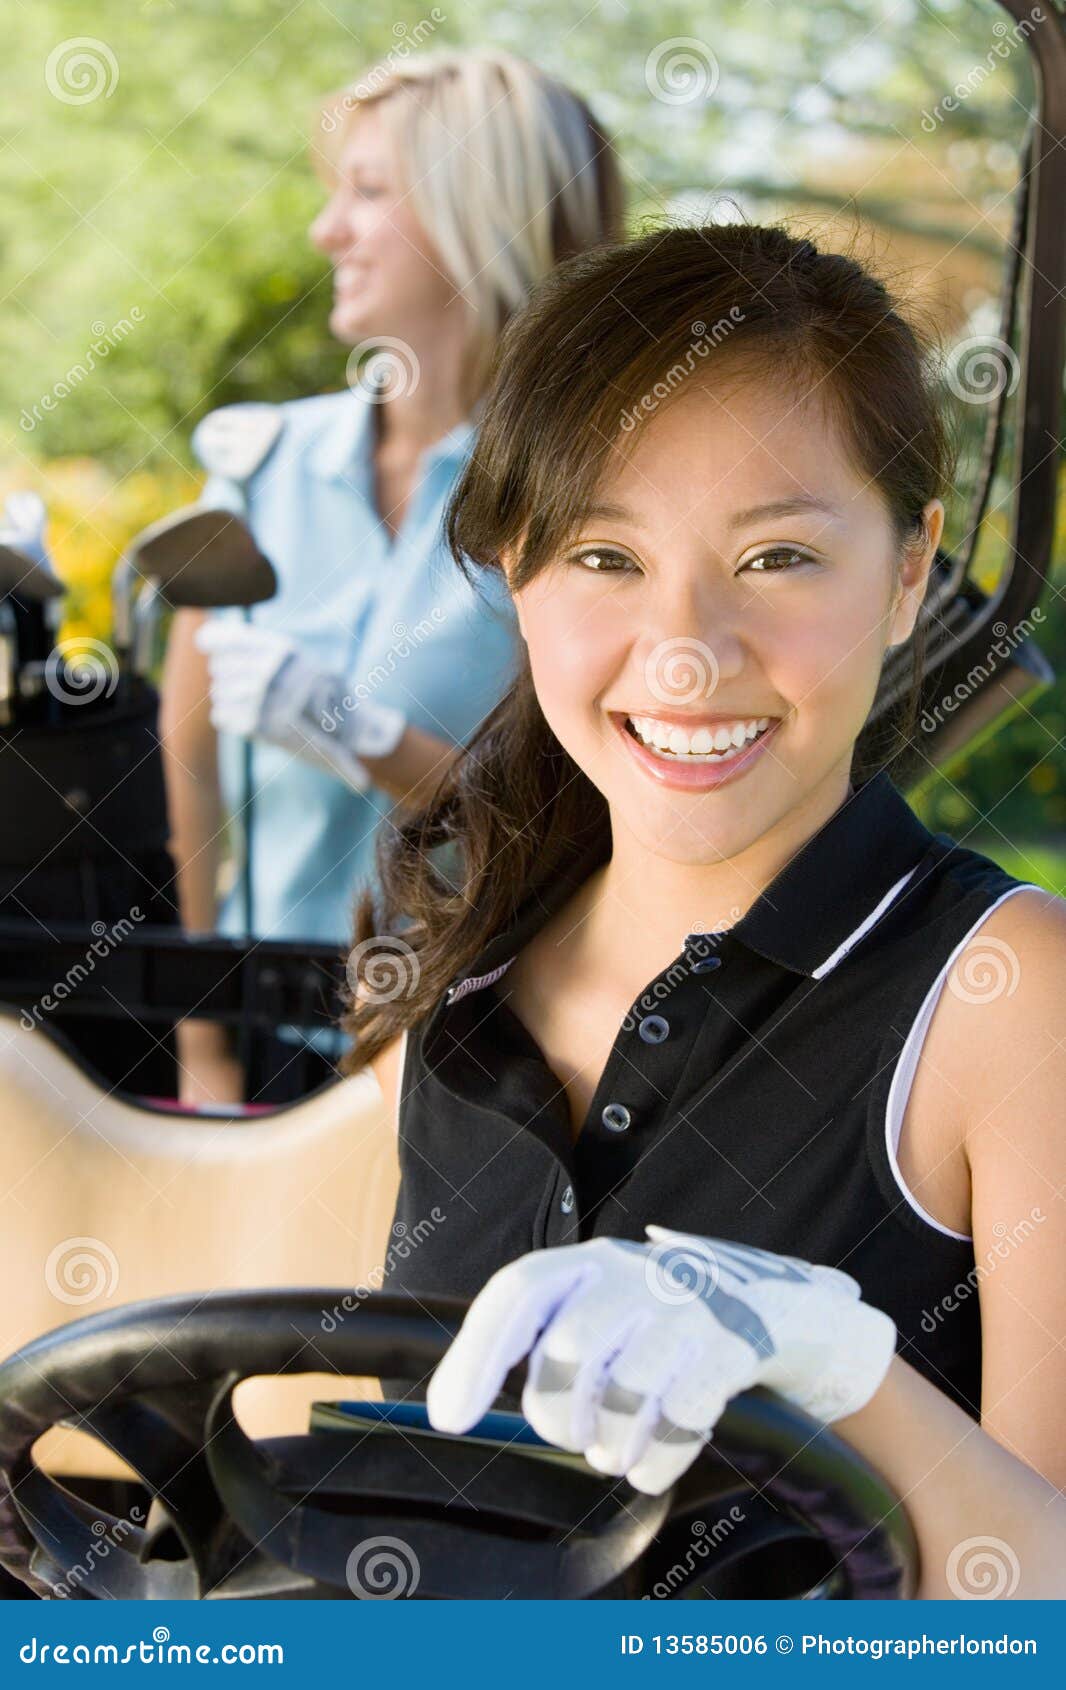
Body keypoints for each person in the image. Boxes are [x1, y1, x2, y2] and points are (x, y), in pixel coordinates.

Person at [344, 223, 1066, 1598]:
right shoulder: (460, 987)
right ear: (514, 569)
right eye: (606, 558)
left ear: (909, 571)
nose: (686, 649)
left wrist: (843, 1370)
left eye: (777, 558)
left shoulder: (1005, 991)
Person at [159, 47, 625, 1106]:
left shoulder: (581, 497)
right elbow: (186, 767)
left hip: (478, 1058)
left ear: (481, 218)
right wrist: (206, 1058)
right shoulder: (257, 466)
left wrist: (358, 735)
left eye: (367, 193)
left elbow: (577, 819)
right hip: (262, 1033)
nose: (328, 229)